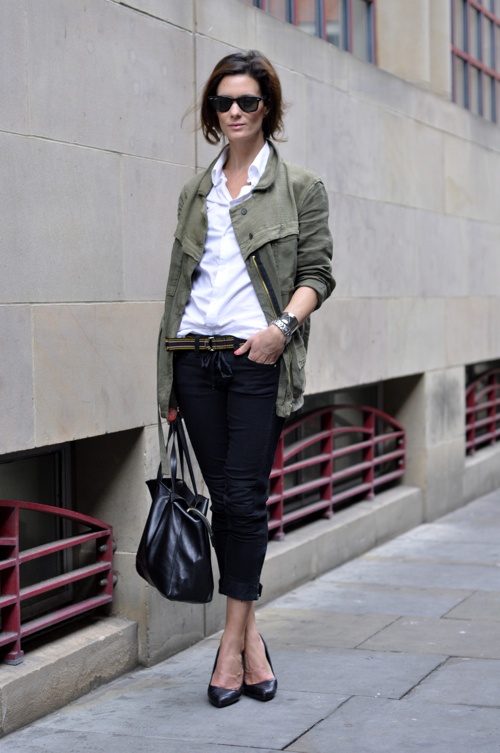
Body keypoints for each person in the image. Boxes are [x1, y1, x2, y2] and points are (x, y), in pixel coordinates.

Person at [157, 50, 335, 708]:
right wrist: (169, 380)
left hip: (256, 359)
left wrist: (279, 330)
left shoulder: (300, 188)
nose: (234, 111)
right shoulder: (195, 192)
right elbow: (179, 286)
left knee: (243, 497)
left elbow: (318, 274)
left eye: (247, 101)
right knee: (228, 502)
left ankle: (230, 647)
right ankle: (250, 639)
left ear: (267, 109)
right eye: (223, 102)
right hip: (193, 358)